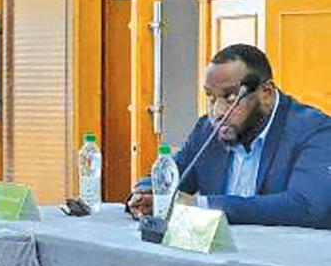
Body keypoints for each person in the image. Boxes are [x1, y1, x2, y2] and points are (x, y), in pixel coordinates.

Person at [127, 44, 331, 229]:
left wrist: (202, 205)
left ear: (266, 93)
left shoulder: (314, 129)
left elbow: (307, 206)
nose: (218, 112)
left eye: (231, 98)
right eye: (211, 97)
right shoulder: (207, 129)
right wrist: (145, 195)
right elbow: (171, 176)